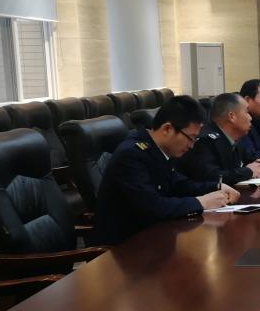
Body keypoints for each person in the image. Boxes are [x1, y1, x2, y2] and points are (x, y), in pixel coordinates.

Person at [94, 95, 238, 245]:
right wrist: (200, 202)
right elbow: (153, 207)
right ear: (167, 129)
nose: (192, 145)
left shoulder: (159, 149)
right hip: (125, 247)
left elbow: (179, 184)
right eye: (190, 138)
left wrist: (216, 187)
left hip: (153, 237)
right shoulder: (132, 154)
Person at [179, 92, 260, 185]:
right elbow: (212, 177)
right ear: (232, 116)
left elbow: (248, 159)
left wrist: (259, 165)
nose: (250, 118)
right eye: (247, 112)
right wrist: (248, 171)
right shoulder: (205, 141)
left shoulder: (236, 138)